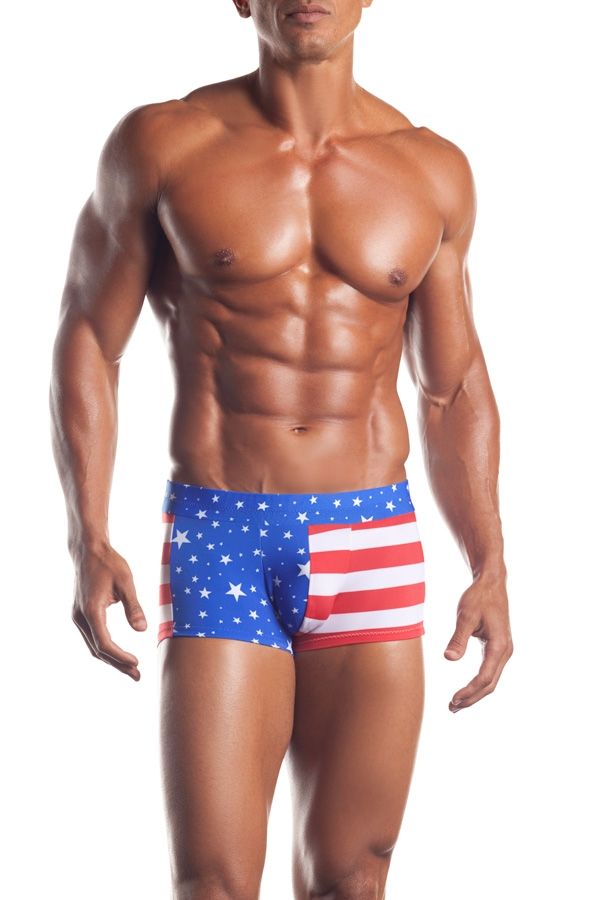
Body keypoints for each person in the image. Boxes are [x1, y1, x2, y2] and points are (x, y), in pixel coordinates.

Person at [49, 1, 513, 897]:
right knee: (215, 881)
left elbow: (451, 385)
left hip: (371, 535)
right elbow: (90, 340)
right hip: (221, 530)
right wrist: (87, 535)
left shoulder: (431, 169)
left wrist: (490, 561)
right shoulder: (165, 145)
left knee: (353, 875)